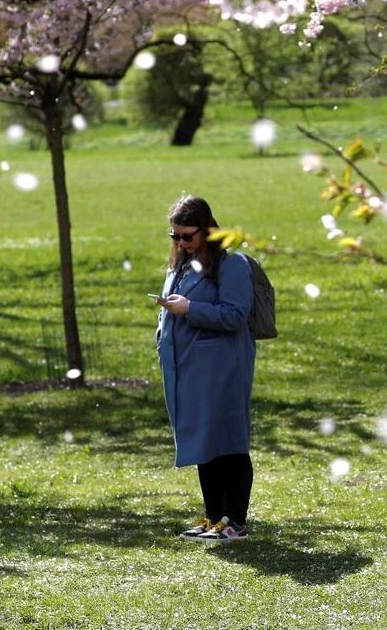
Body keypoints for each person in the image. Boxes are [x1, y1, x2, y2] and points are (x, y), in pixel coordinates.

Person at [154, 195, 257, 543]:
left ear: (207, 229)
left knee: (228, 441)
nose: (181, 243)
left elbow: (235, 315)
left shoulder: (231, 264)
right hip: (188, 368)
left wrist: (190, 310)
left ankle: (235, 522)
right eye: (175, 237)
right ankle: (214, 516)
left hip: (222, 366)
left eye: (187, 236)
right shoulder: (181, 265)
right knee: (202, 439)